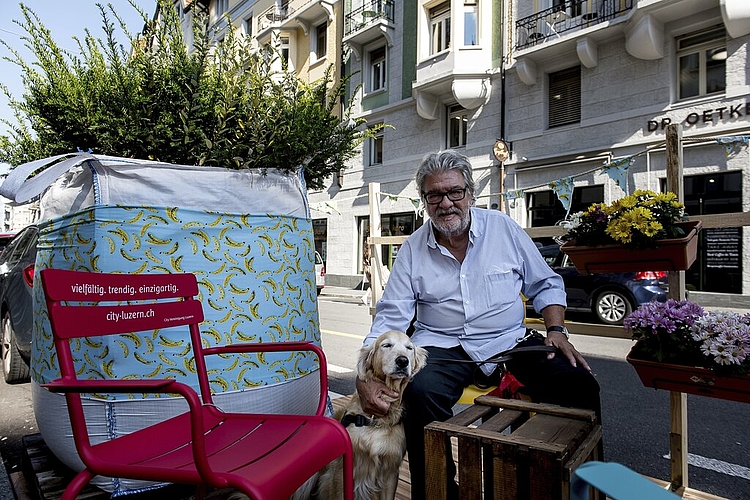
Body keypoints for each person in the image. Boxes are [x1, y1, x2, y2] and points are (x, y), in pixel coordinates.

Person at [356, 149, 601, 499]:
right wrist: (365, 374)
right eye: (435, 195)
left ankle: (578, 487)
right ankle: (439, 492)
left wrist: (556, 331)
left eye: (455, 192)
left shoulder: (502, 228)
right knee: (419, 394)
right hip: (444, 344)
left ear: (470, 193)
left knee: (578, 383)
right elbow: (391, 314)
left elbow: (546, 283)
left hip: (509, 340)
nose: (446, 203)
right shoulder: (413, 248)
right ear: (424, 201)